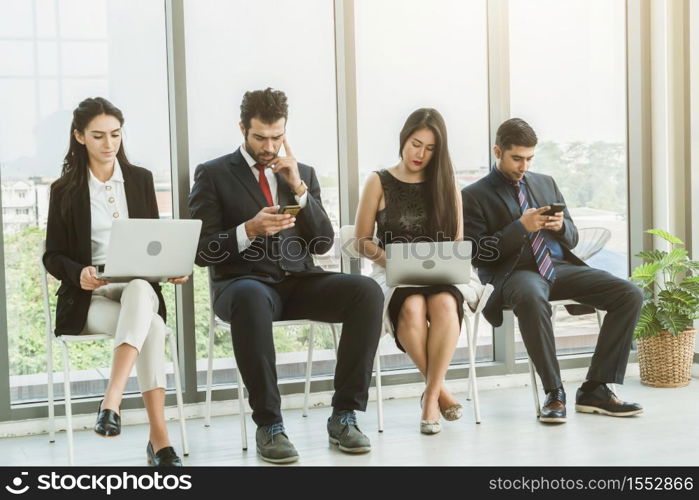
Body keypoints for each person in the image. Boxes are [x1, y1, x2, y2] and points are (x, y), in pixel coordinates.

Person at [188, 88, 383, 464]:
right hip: (241, 285)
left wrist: (298, 187)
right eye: (260, 137)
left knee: (367, 292)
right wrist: (249, 229)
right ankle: (270, 425)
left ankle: (344, 415)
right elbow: (202, 251)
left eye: (277, 137)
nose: (269, 146)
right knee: (250, 296)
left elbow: (324, 241)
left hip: (297, 281)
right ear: (243, 129)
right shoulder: (213, 174)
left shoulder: (301, 173)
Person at [461, 117, 644, 423]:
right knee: (532, 296)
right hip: (513, 275)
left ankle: (595, 388)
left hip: (557, 268)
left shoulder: (546, 183)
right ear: (497, 151)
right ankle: (554, 392)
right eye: (516, 158)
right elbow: (479, 254)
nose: (524, 166)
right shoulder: (474, 195)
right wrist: (520, 227)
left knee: (629, 294)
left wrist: (561, 227)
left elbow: (572, 237)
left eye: (530, 158)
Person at [43, 97, 188, 466]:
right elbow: (53, 255)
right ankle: (160, 443)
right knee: (151, 329)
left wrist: (173, 265)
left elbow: (154, 243)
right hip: (90, 298)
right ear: (79, 137)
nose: (109, 145)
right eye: (98, 136)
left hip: (136, 288)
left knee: (141, 289)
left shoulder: (139, 180)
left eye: (115, 135)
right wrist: (78, 273)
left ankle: (112, 400)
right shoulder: (65, 190)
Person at [354, 108, 485, 434]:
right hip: (393, 271)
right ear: (403, 139)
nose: (420, 154)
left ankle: (429, 398)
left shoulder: (446, 183)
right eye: (416, 144)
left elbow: (456, 240)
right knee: (412, 307)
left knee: (442, 303)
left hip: (443, 272)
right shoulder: (378, 181)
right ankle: (439, 391)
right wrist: (394, 262)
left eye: (429, 149)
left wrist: (437, 264)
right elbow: (361, 241)